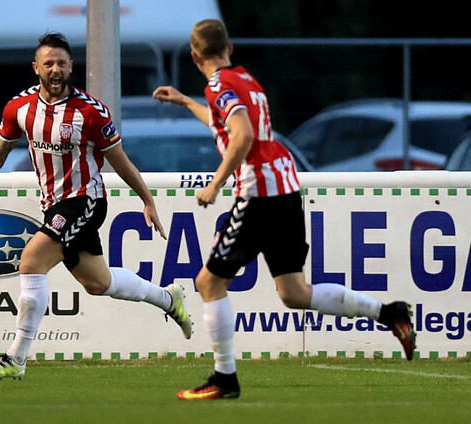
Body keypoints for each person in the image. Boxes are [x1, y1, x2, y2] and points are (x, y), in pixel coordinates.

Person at [153, 19, 416, 401]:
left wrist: (216, 183)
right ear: (230, 49)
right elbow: (229, 124)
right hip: (285, 188)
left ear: (194, 57)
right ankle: (389, 313)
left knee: (209, 283)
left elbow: (242, 135)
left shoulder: (219, 85)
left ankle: (224, 378)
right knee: (294, 292)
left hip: (260, 194)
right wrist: (186, 102)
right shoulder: (246, 79)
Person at [0, 32, 192, 379]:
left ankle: (16, 359)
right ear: (36, 68)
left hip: (85, 201)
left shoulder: (91, 112)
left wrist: (147, 199)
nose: (55, 69)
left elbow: (120, 160)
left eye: (61, 63)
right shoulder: (19, 108)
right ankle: (168, 299)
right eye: (49, 63)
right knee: (98, 283)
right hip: (53, 206)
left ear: (71, 67)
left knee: (31, 261)